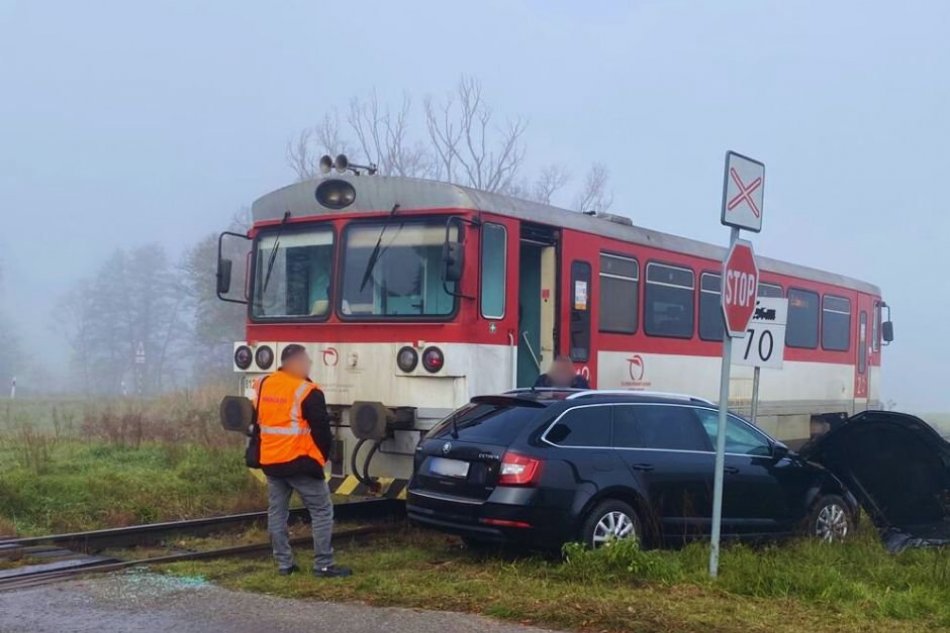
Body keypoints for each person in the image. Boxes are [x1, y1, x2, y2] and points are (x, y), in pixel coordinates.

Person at [252, 344, 351, 578]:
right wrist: (320, 459)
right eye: (305, 361)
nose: (308, 365)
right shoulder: (308, 391)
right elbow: (322, 432)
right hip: (300, 461)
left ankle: (284, 565)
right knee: (321, 511)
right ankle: (324, 565)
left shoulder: (264, 384)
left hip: (271, 460)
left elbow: (258, 418)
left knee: (277, 512)